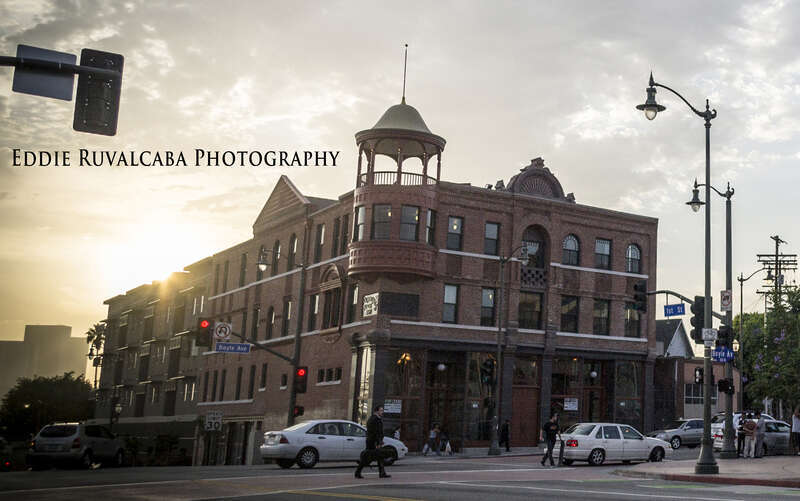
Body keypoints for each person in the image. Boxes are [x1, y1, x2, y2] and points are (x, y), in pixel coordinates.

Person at [355, 404, 390, 479]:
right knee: (368, 457)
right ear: (377, 411)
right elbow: (375, 432)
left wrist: (380, 441)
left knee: (379, 457)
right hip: (372, 441)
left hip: (373, 441)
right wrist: (378, 442)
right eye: (381, 410)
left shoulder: (375, 419)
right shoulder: (374, 419)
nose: (382, 412)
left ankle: (382, 473)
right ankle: (358, 472)